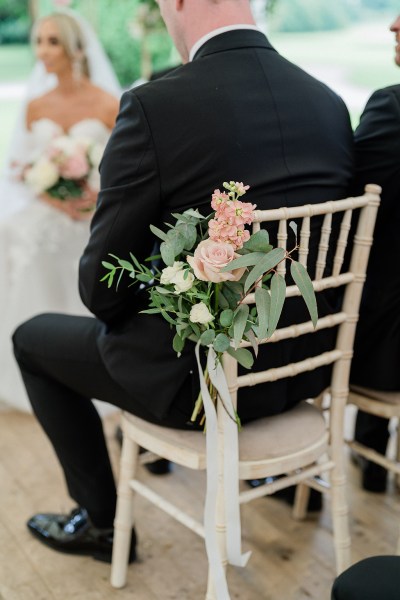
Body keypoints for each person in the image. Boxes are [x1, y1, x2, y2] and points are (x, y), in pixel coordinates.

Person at [12, 0, 353, 563]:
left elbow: (100, 290)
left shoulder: (156, 106)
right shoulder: (327, 102)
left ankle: (97, 523)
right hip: (303, 371)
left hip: (202, 386)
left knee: (31, 338)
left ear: (176, 4)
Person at [0, 9, 121, 412]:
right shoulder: (35, 106)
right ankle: (28, 365)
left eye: (52, 41)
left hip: (92, 211)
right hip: (49, 207)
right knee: (14, 234)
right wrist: (54, 195)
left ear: (74, 47)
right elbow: (20, 168)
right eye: (39, 40)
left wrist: (89, 198)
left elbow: (120, 168)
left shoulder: (107, 103)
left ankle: (89, 365)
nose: (43, 50)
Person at [349, 14, 400, 493]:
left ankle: (368, 459)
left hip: (385, 355)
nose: (393, 25)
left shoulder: (392, 105)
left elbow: (354, 202)